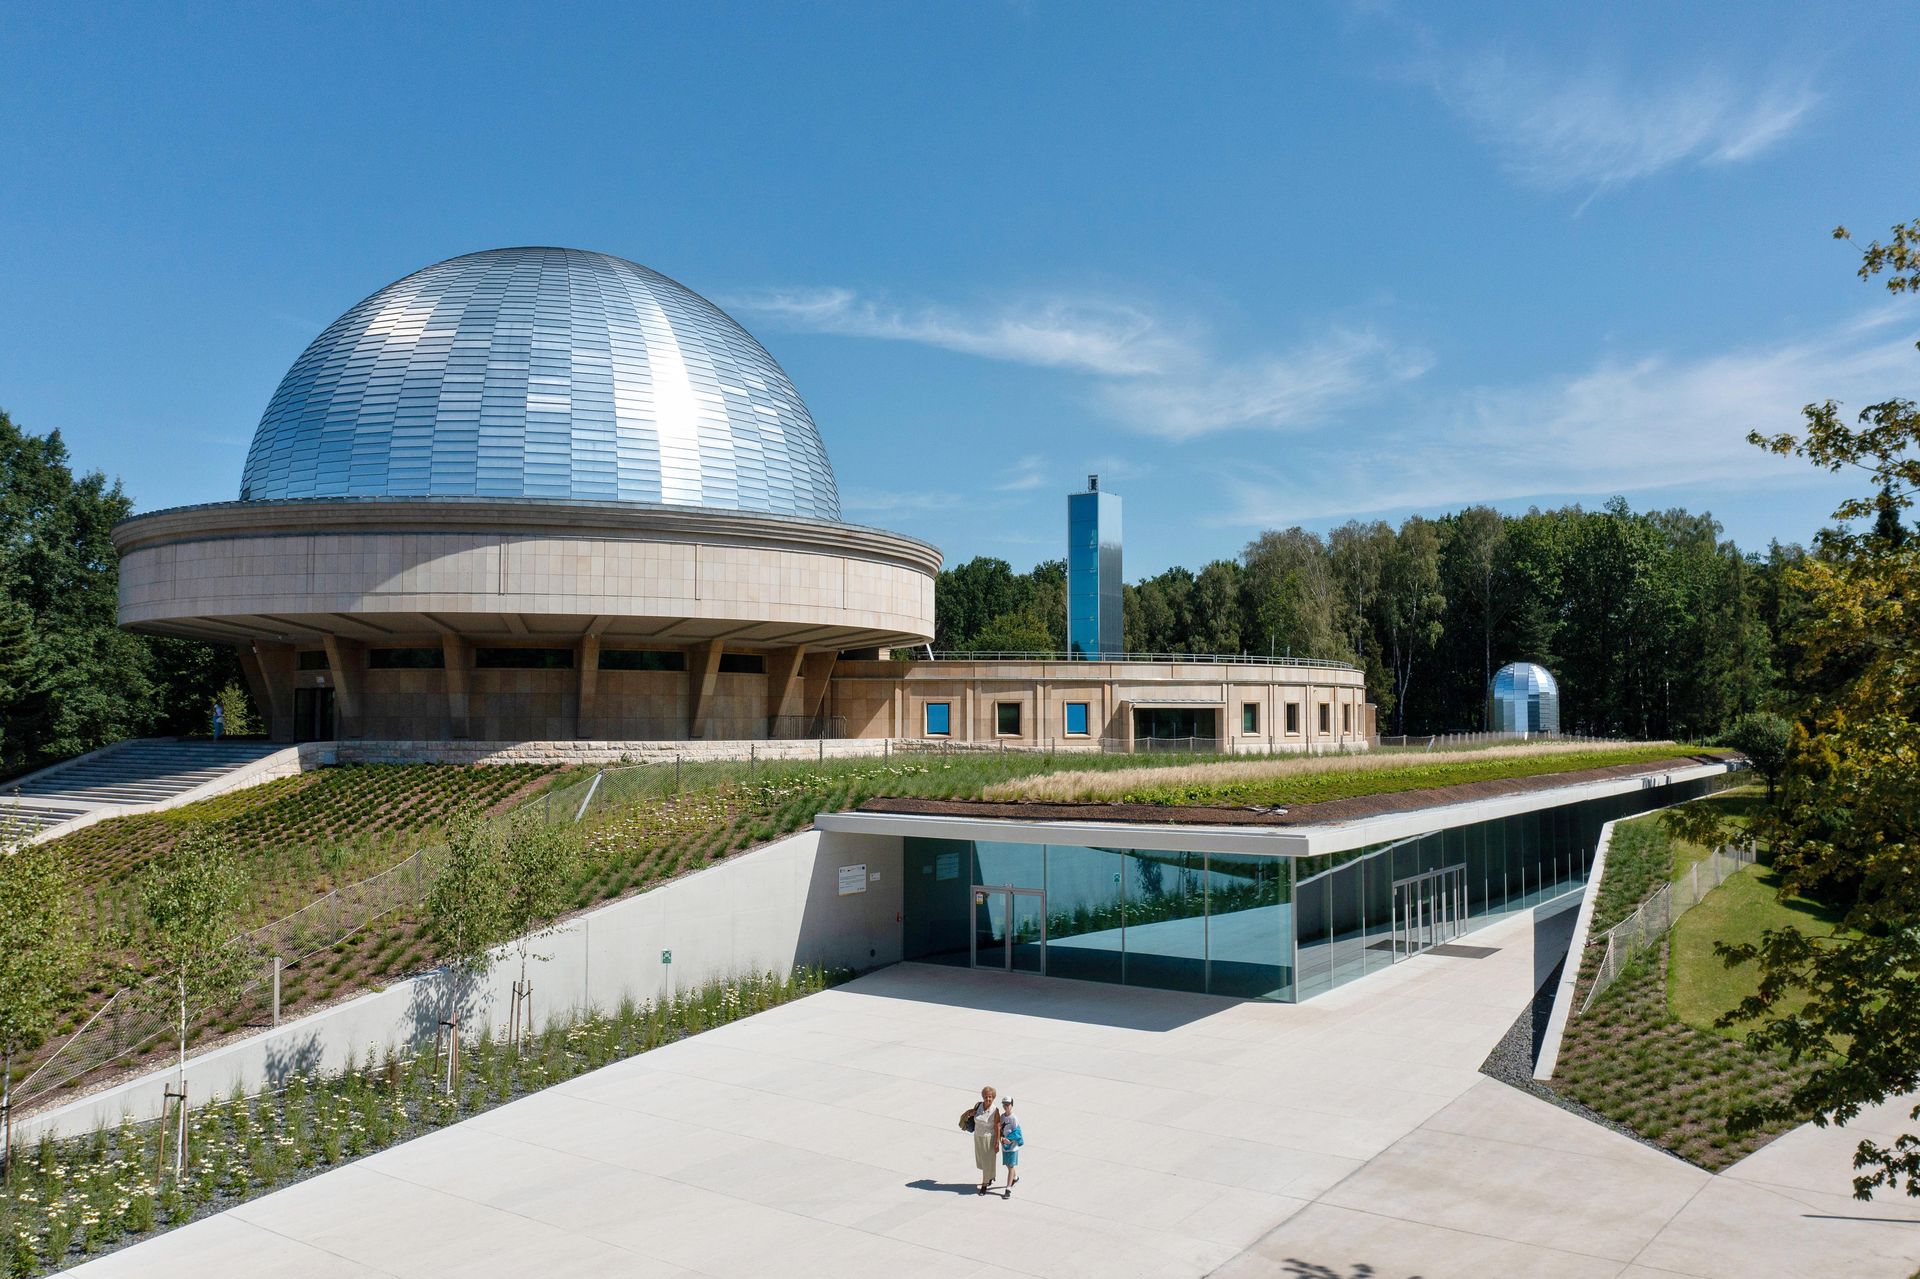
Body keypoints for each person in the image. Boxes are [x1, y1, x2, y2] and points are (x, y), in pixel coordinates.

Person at [967, 1085, 999, 1195]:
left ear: (993, 1097)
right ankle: (990, 1176)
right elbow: (972, 1114)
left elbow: (997, 1126)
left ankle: (984, 1184)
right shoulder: (978, 1105)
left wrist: (996, 1142)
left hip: (988, 1138)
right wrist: (971, 1114)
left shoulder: (995, 1110)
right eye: (986, 1096)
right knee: (981, 1161)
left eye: (990, 1097)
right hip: (977, 1137)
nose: (988, 1099)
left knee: (986, 1162)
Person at [997, 1096, 1023, 1198]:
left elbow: (1017, 1132)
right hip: (1005, 1146)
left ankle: (1008, 1188)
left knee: (1011, 1166)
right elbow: (1000, 1129)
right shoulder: (1002, 1117)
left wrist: (1010, 1140)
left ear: (1012, 1105)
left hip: (1012, 1147)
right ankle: (1015, 1178)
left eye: (1007, 1104)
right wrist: (1002, 1139)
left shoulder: (1013, 1118)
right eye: (1004, 1104)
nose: (1005, 1106)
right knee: (1008, 1164)